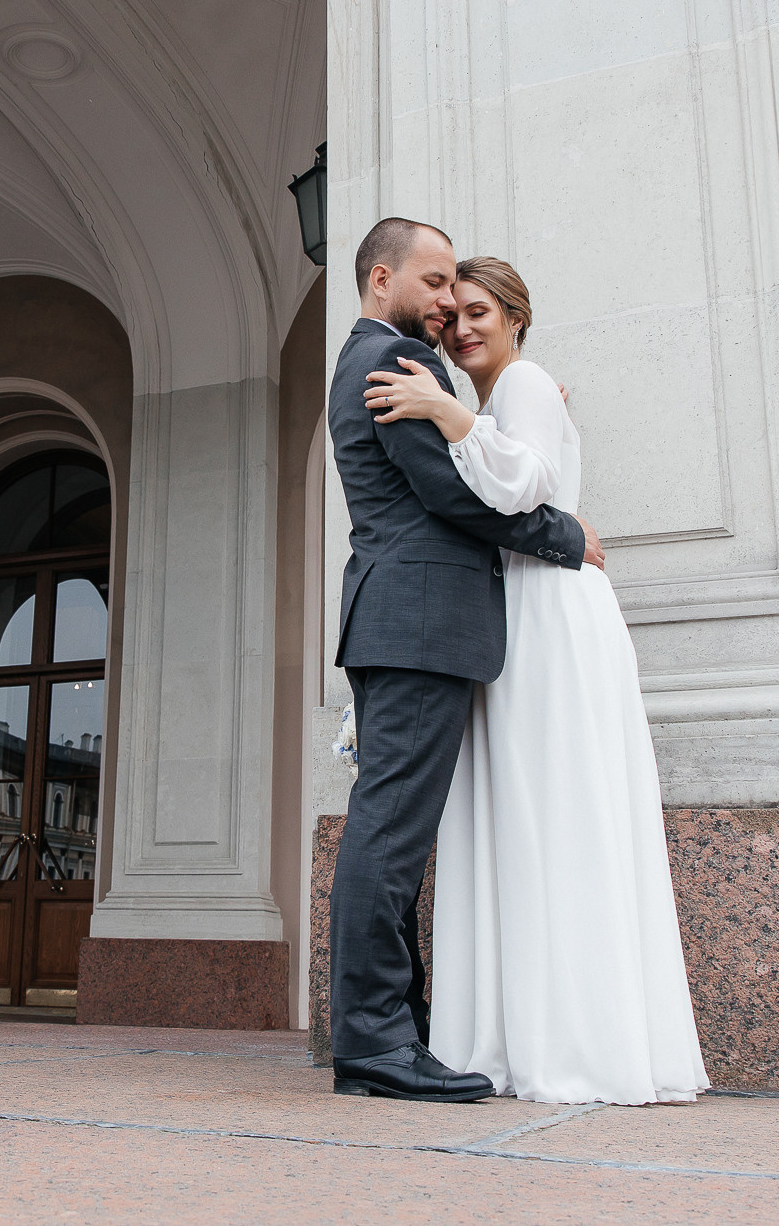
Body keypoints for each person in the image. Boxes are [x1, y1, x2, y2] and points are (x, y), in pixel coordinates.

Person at [364, 256, 708, 1105]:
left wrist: (446, 412)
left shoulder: (519, 386)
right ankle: (553, 1029)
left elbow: (523, 487)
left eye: (480, 311)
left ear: (517, 316)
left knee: (548, 812)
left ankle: (564, 1038)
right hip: (527, 605)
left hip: (548, 609)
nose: (464, 327)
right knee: (538, 814)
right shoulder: (511, 398)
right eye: (454, 318)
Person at [327, 219, 601, 1102]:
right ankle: (374, 1040)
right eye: (435, 281)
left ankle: (388, 1032)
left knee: (393, 831)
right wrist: (565, 535)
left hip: (404, 619)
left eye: (457, 288)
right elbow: (450, 494)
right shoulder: (397, 363)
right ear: (381, 278)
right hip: (416, 620)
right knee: (390, 832)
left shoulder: (387, 359)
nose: (446, 301)